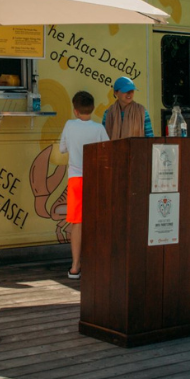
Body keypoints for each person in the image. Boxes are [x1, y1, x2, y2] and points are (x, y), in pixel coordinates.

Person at [58, 90, 109, 280]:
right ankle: (97, 262)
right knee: (96, 221)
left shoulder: (70, 126)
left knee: (77, 224)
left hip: (76, 179)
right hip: (95, 179)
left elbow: (62, 148)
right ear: (93, 109)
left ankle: (75, 266)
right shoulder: (99, 129)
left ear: (75, 111)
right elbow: (108, 151)